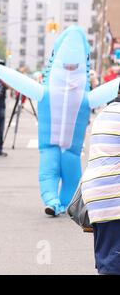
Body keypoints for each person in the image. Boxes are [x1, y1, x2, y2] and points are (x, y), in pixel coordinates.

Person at [81, 98, 120, 275]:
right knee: (113, 265)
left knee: (109, 263)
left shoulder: (105, 113)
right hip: (114, 196)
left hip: (98, 195)